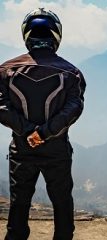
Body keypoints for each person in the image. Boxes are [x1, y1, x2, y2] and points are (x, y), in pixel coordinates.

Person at [0, 8, 86, 240]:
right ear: (56, 35)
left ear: (26, 35)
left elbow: (1, 107)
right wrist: (44, 133)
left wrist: (28, 132)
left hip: (22, 148)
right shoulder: (71, 73)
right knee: (62, 202)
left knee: (19, 204)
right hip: (56, 148)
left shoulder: (6, 70)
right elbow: (74, 109)